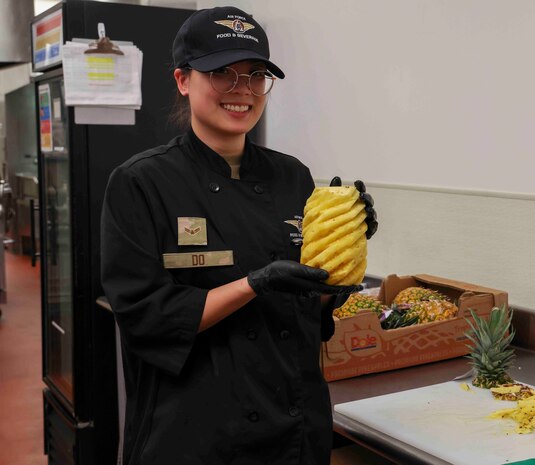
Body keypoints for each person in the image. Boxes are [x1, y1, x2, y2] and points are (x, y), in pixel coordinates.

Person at [100, 6, 378, 465]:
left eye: (255, 75)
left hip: (293, 429)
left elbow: (309, 311)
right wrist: (256, 283)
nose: (242, 90)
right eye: (221, 73)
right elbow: (146, 317)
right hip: (195, 434)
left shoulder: (293, 177)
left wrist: (346, 255)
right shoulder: (141, 183)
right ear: (183, 80)